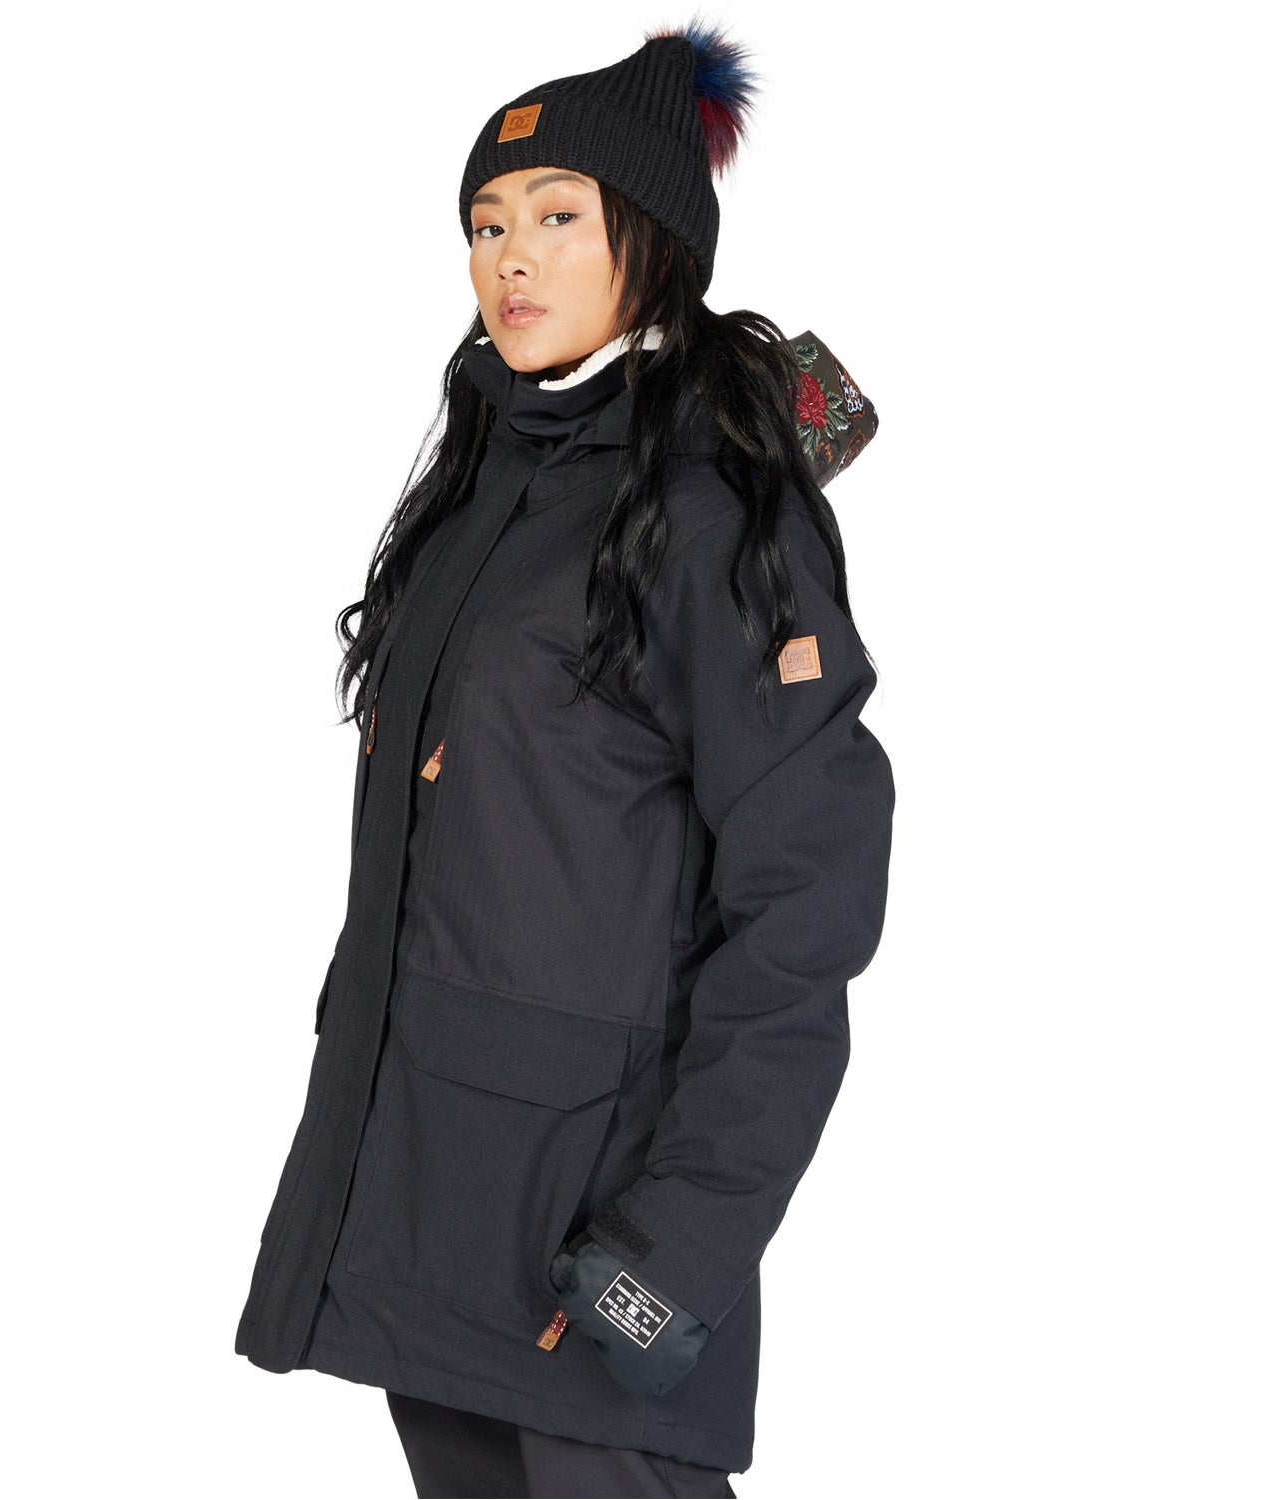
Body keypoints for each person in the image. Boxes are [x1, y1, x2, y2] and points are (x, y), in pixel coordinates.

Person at [234, 18, 895, 1498]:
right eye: (485, 225)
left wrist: (675, 1251)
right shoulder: (492, 480)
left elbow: (803, 906)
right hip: (431, 1220)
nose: (509, 259)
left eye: (554, 217)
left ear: (650, 241)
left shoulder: (716, 511)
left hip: (590, 1248)